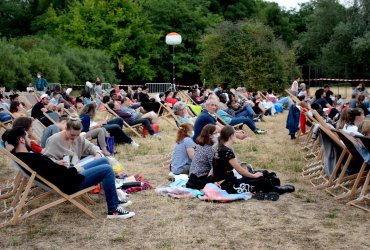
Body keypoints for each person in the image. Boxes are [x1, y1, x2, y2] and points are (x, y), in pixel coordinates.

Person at [2, 127, 134, 219]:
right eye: (26, 136)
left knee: (104, 161)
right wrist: (77, 168)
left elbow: (49, 169)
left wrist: (56, 164)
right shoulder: (31, 158)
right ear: (21, 140)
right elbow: (61, 175)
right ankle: (113, 209)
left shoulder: (24, 156)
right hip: (69, 183)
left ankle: (114, 199)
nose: (29, 138)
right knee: (106, 170)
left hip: (66, 177)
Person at [212, 126, 295, 199]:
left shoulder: (220, 148)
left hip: (227, 182)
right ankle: (277, 190)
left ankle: (270, 188)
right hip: (229, 185)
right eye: (235, 133)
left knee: (263, 174)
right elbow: (240, 170)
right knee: (262, 181)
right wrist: (253, 175)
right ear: (231, 136)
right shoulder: (227, 151)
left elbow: (216, 168)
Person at [186, 124, 216, 190]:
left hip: (192, 178)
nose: (217, 135)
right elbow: (214, 167)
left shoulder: (199, 146)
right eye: (215, 133)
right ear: (210, 135)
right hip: (200, 180)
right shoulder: (209, 149)